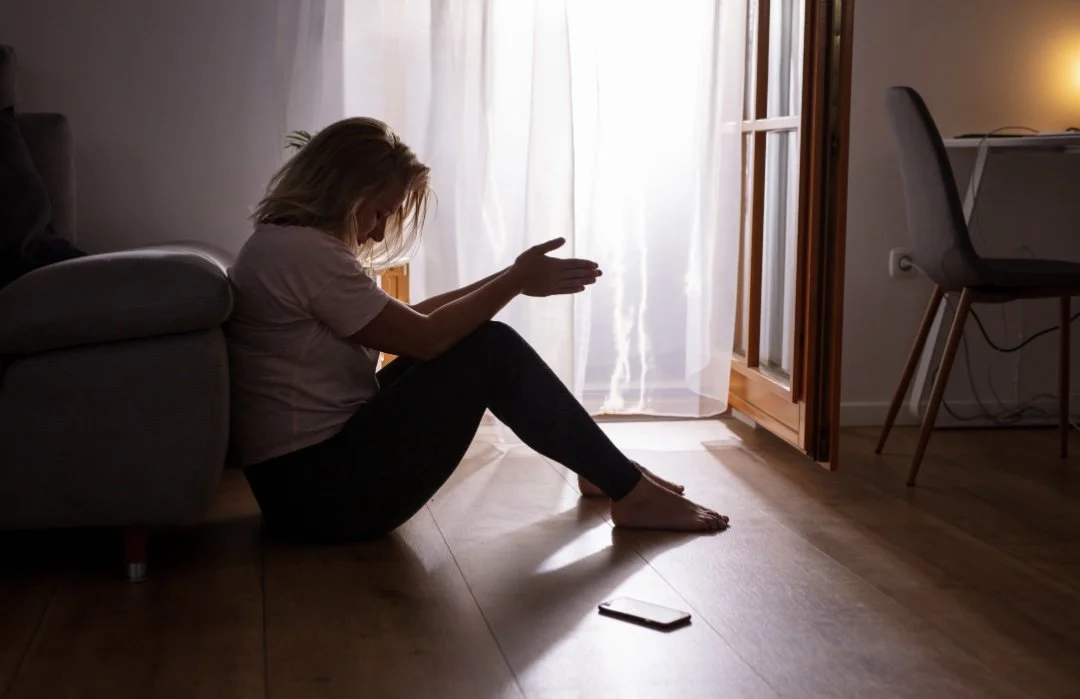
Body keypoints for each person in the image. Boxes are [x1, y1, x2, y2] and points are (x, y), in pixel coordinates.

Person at [226, 117, 728, 543]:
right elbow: (425, 338)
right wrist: (513, 281)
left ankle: (609, 474)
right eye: (377, 211)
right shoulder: (304, 252)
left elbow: (409, 323)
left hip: (302, 487)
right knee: (487, 348)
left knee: (477, 342)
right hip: (318, 497)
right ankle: (627, 489)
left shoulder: (285, 245)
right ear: (342, 189)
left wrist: (512, 277)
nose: (378, 231)